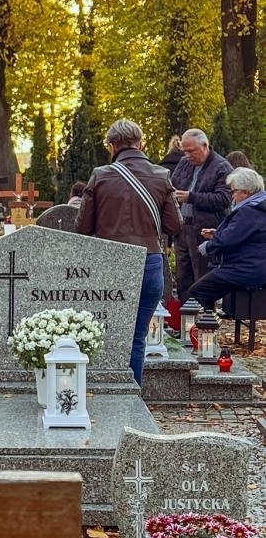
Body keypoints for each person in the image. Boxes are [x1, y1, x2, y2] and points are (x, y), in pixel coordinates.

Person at [76, 118, 181, 384]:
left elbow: (83, 226)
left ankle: (99, 391)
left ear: (113, 146)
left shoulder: (100, 176)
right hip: (149, 261)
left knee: (101, 332)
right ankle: (130, 397)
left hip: (110, 262)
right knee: (136, 337)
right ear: (140, 142)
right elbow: (174, 224)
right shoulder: (161, 176)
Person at [189, 168, 266, 308]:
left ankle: (205, 325)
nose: (232, 196)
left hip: (246, 268)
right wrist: (217, 233)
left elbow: (227, 240)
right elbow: (245, 235)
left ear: (246, 192)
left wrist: (205, 247)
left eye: (234, 191)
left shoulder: (249, 210)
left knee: (197, 291)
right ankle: (210, 320)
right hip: (256, 265)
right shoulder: (260, 206)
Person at [171, 129, 231, 302]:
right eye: (184, 150)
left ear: (205, 146)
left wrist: (192, 197)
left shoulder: (222, 167)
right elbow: (172, 185)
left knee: (202, 277)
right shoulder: (184, 163)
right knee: (182, 278)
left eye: (191, 151)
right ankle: (185, 322)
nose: (187, 155)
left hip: (205, 231)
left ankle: (205, 318)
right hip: (182, 229)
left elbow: (224, 199)